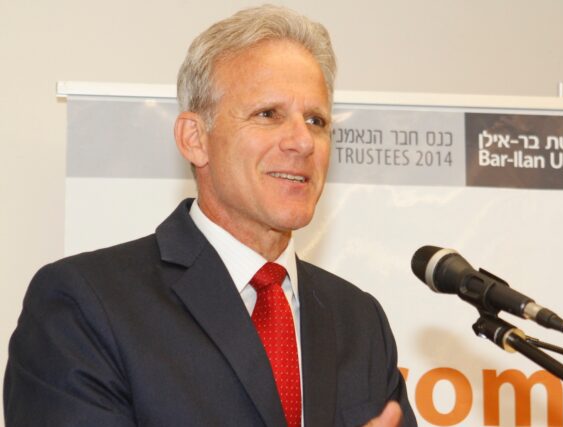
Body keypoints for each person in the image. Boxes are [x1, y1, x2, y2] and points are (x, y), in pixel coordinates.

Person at [4, 5, 416, 427]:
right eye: (268, 114)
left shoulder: (359, 320)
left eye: (316, 120)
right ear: (194, 139)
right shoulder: (85, 305)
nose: (302, 141)